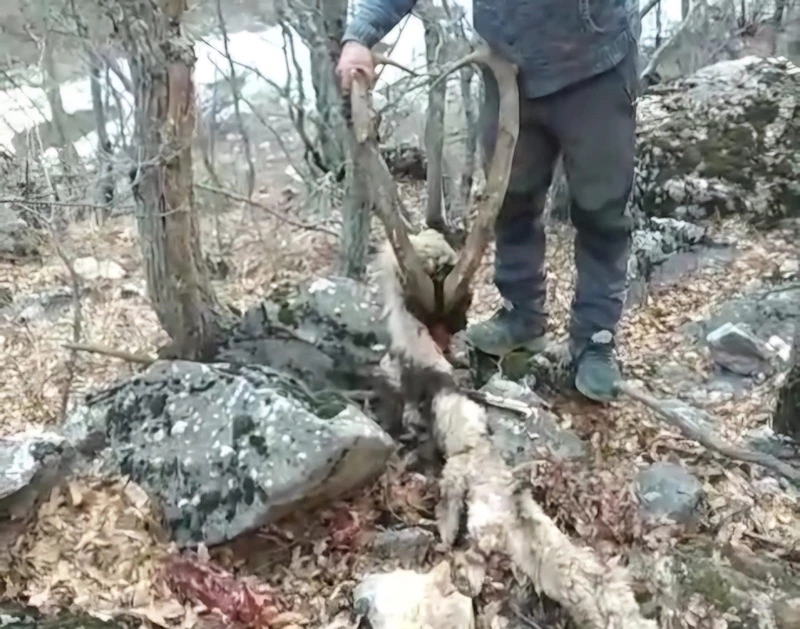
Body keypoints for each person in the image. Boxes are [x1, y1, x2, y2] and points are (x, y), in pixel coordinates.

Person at [336, 1, 641, 403]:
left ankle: (596, 339)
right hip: (509, 66)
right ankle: (522, 315)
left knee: (601, 211)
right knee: (510, 202)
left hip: (595, 64)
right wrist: (361, 35)